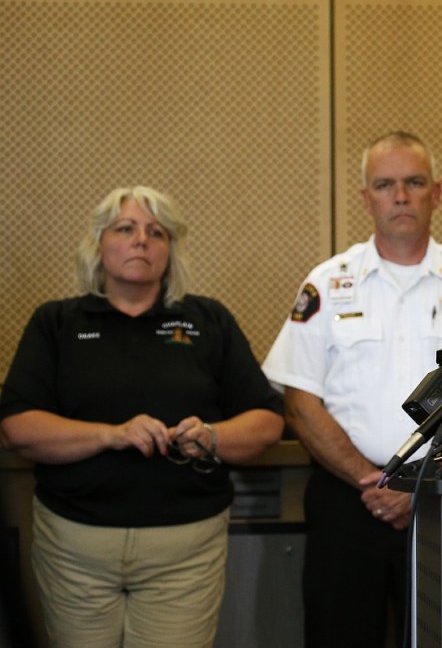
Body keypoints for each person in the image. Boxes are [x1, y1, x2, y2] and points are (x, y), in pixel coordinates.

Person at [0, 186, 285, 648]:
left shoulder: (208, 320)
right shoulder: (56, 322)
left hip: (184, 551)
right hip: (74, 548)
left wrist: (213, 435)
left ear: (170, 251)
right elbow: (17, 427)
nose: (141, 241)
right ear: (98, 243)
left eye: (157, 232)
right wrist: (112, 435)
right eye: (125, 229)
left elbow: (267, 420)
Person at [262, 131, 442, 647]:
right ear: (365, 198)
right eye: (385, 184)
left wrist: (416, 486)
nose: (400, 196)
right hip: (348, 501)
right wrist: (369, 481)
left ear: (436, 193)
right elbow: (301, 400)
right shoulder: (329, 283)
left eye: (414, 183)